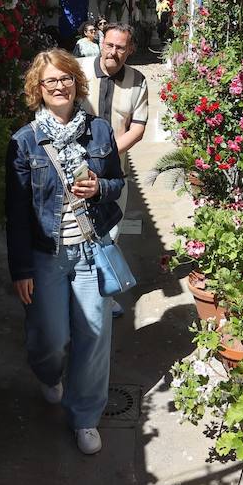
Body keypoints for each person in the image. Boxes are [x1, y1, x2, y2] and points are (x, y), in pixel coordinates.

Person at [5, 49, 125, 455]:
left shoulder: (101, 132)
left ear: (77, 82)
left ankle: (85, 416)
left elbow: (117, 182)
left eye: (66, 79)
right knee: (51, 339)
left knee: (94, 336)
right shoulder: (23, 143)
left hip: (93, 248)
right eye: (50, 81)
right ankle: (47, 372)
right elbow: (16, 211)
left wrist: (101, 188)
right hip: (46, 254)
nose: (59, 86)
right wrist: (20, 268)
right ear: (38, 89)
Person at [78, 24, 149, 319]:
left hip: (114, 173)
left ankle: (102, 295)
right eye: (109, 45)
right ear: (101, 43)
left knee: (110, 234)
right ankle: (84, 296)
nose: (113, 52)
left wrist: (105, 156)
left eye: (121, 48)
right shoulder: (79, 70)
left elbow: (138, 128)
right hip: (76, 170)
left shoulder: (138, 81)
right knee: (77, 235)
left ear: (129, 50)